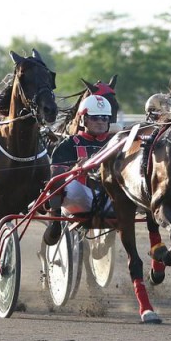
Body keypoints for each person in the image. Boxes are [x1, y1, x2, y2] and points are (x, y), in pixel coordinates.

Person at [42, 95, 115, 246]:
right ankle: (55, 221)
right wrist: (76, 170)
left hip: (110, 197)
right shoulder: (69, 144)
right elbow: (57, 178)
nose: (101, 121)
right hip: (79, 198)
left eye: (104, 118)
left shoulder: (115, 143)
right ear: (83, 119)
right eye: (95, 118)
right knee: (66, 182)